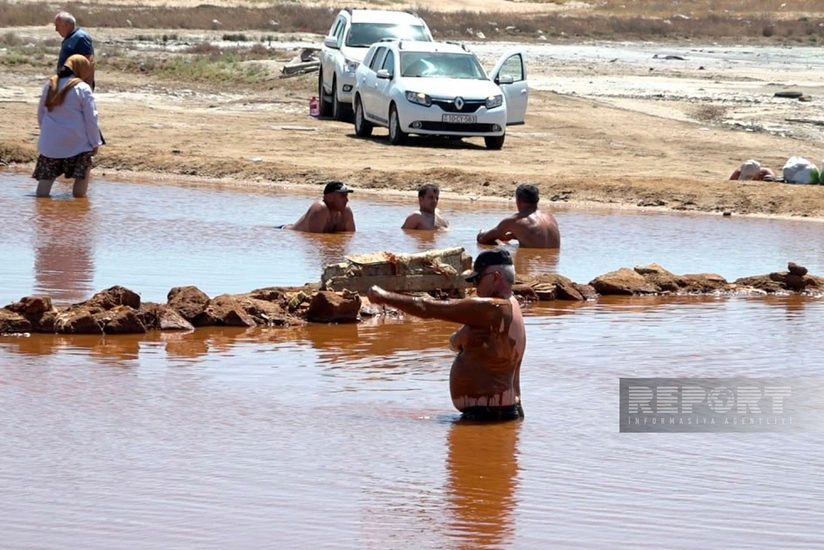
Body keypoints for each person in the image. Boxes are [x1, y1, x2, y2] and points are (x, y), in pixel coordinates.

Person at [367, 248, 526, 422]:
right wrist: (460, 339)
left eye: (477, 279)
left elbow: (426, 308)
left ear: (495, 277)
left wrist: (383, 296)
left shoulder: (492, 308)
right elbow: (456, 342)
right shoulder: (512, 304)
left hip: (488, 416)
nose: (474, 286)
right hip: (502, 411)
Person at [33, 54, 102, 198]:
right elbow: (91, 119)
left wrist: (48, 134)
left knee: (46, 180)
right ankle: (80, 204)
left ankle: (42, 208)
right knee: (82, 174)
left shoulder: (50, 85)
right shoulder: (83, 88)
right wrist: (95, 142)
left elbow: (41, 114)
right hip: (77, 143)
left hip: (50, 144)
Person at [476, 183, 561, 248]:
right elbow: (540, 239)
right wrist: (515, 236)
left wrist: (481, 233)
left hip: (532, 262)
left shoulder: (515, 220)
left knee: (497, 244)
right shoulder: (550, 217)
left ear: (519, 201)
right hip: (551, 264)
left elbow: (483, 239)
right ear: (538, 200)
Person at [282, 181, 356, 233]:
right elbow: (314, 239)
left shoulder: (346, 211)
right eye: (342, 196)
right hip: (286, 232)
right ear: (330, 198)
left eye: (346, 196)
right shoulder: (321, 209)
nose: (346, 200)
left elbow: (350, 235)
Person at [54, 12, 95, 87]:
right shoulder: (70, 37)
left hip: (76, 86)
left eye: (58, 26)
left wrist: (87, 86)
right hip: (67, 84)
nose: (56, 29)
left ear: (67, 25)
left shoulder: (80, 38)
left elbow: (89, 62)